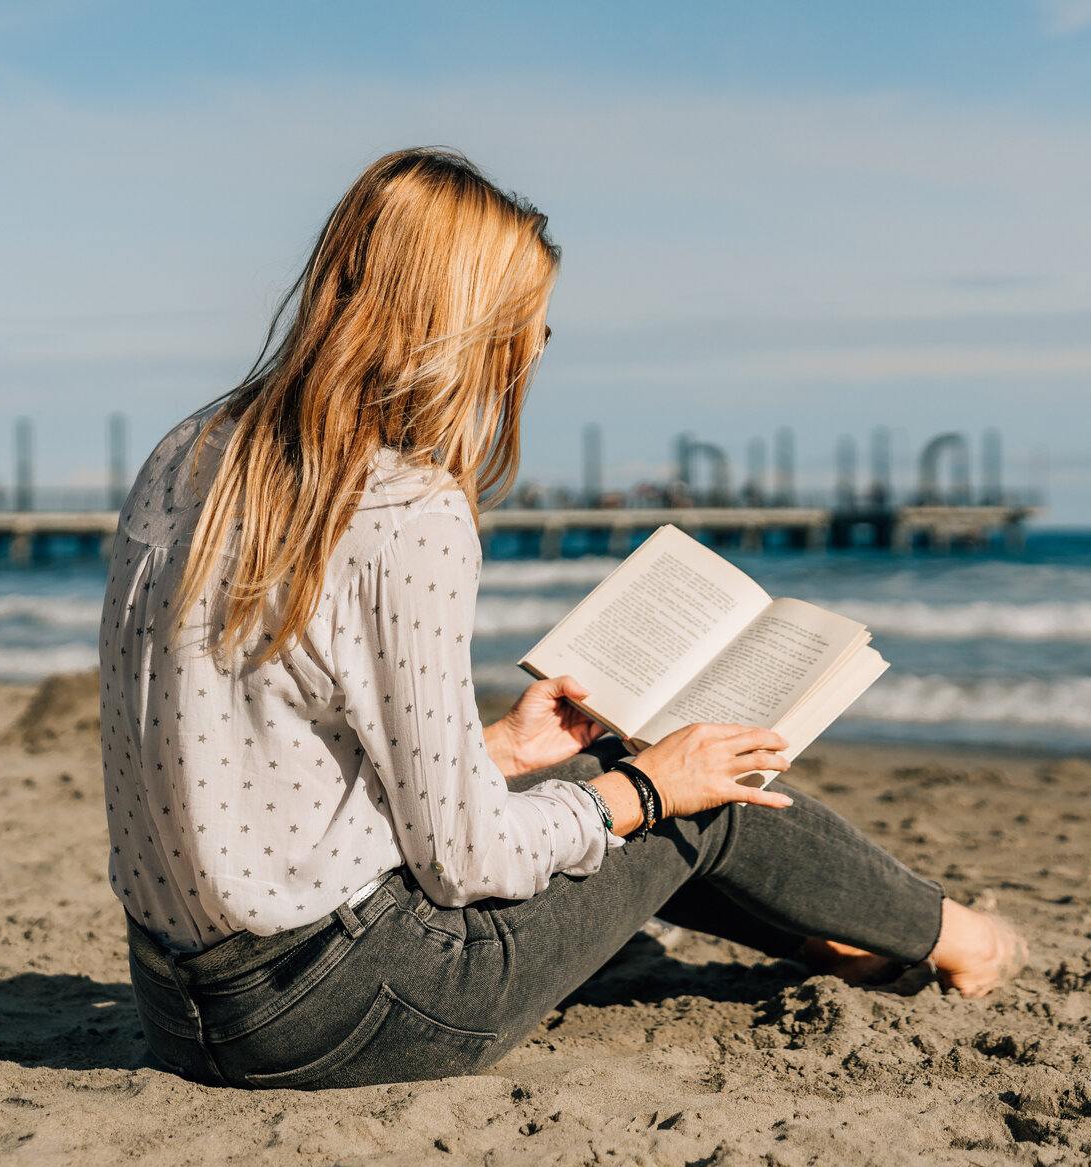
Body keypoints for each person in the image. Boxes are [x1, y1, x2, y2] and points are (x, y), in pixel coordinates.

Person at [100, 147, 1028, 1090]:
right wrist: (650, 790)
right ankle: (969, 940)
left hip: (181, 1005)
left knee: (638, 781)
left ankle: (848, 939)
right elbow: (464, 862)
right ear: (474, 329)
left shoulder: (192, 454)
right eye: (533, 325)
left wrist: (494, 751)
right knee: (698, 797)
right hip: (339, 1008)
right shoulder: (407, 510)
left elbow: (267, 756)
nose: (538, 347)